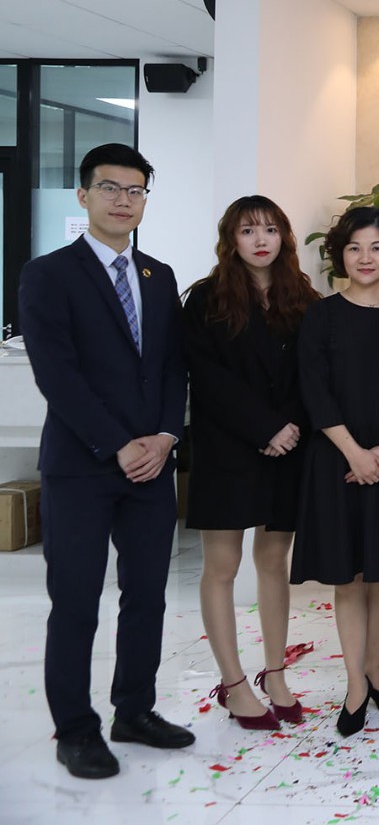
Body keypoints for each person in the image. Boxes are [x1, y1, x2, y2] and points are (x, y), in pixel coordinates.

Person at [18, 142, 193, 779]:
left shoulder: (158, 275)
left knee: (147, 595)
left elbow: (173, 367)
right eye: (110, 188)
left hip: (152, 466)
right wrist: (118, 444)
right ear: (84, 194)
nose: (123, 200)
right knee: (76, 600)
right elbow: (57, 374)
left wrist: (166, 437)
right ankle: (75, 729)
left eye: (135, 190)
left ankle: (134, 711)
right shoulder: (49, 274)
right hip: (82, 466)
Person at [184, 195, 319, 730]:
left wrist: (289, 427)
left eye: (269, 229)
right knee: (221, 567)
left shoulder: (302, 297)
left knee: (273, 562)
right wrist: (264, 428)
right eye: (247, 231)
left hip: (288, 446)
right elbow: (204, 376)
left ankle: (275, 673)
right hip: (227, 448)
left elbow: (312, 373)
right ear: (230, 239)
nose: (260, 240)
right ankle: (234, 682)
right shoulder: (205, 298)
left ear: (284, 236)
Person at [290, 206, 379, 737]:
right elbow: (314, 392)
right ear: (340, 255)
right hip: (336, 460)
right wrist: (356, 455)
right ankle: (355, 685)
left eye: (376, 247)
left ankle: (377, 672)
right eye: (355, 247)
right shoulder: (322, 315)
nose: (365, 257)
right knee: (350, 576)